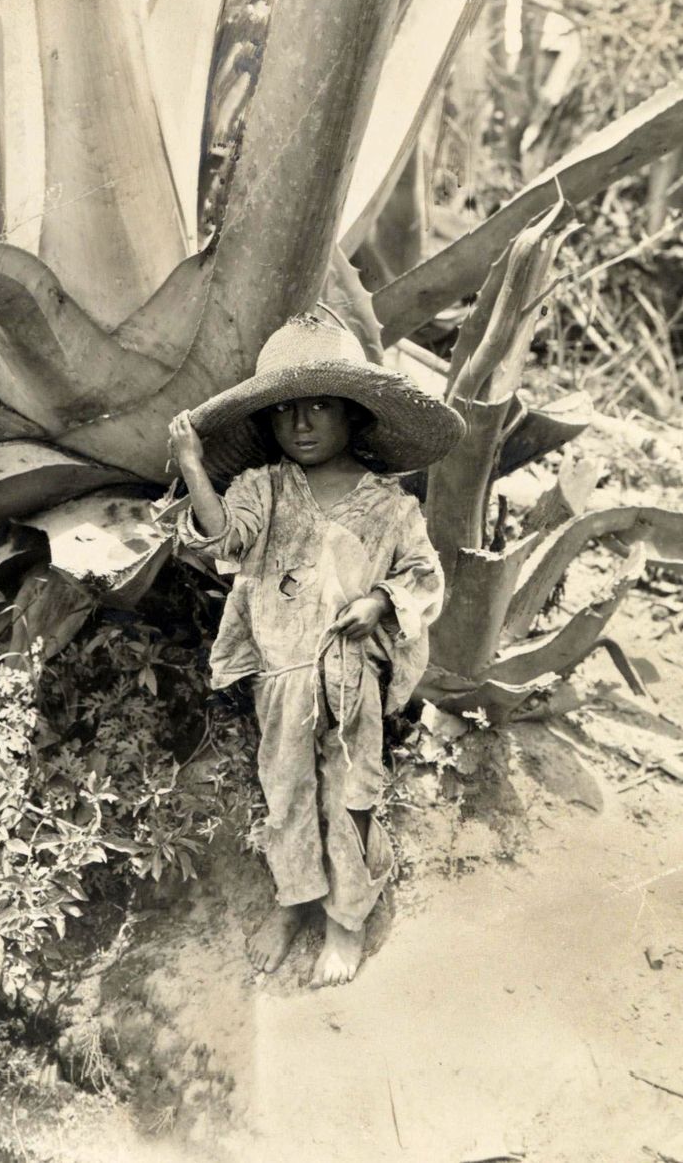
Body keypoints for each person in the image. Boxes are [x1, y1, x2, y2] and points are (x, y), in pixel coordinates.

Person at [164, 310, 463, 987]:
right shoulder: (262, 490)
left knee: (351, 797)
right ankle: (293, 902)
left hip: (353, 685)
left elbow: (422, 575)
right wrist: (192, 466)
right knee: (286, 795)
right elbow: (225, 540)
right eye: (287, 411)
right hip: (284, 680)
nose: (302, 425)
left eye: (320, 407)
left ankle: (345, 921)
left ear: (355, 415)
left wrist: (379, 601)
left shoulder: (390, 508)